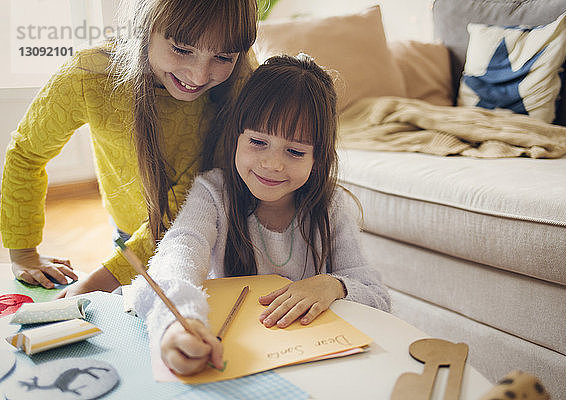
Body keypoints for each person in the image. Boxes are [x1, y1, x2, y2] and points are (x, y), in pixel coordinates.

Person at [128, 54, 391, 376]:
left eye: (295, 151)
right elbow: (177, 254)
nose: (273, 164)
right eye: (257, 142)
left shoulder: (330, 205)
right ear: (236, 137)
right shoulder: (212, 193)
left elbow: (377, 295)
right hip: (233, 354)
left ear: (318, 158)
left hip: (312, 359)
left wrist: (331, 284)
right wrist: (179, 322)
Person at [0, 0, 258, 295]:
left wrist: (101, 280)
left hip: (222, 238)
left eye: (223, 57)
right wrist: (23, 253)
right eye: (182, 49)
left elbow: (186, 206)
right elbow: (27, 154)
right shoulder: (89, 76)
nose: (198, 76)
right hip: (132, 231)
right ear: (145, 27)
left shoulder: (242, 84)